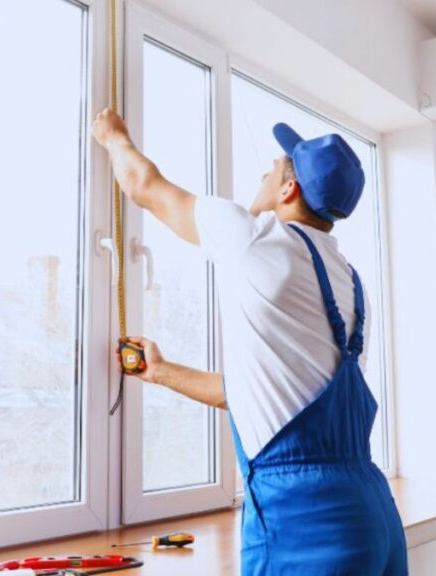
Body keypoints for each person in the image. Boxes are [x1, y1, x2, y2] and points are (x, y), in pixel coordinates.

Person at [92, 107, 408, 575]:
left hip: (303, 521)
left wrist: (113, 137)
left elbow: (145, 187)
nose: (262, 173)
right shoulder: (348, 281)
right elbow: (267, 398)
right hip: (372, 514)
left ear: (288, 189)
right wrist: (161, 372)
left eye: (273, 168)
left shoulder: (254, 238)